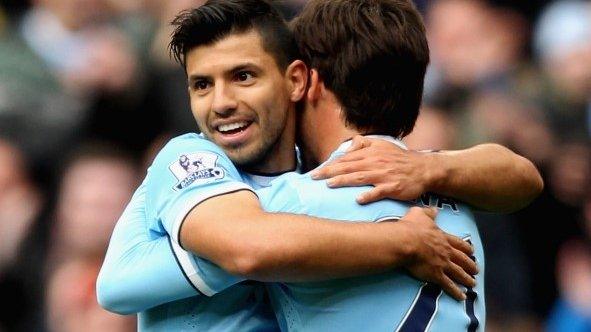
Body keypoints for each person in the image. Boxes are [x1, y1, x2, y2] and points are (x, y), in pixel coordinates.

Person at [97, 0, 542, 329]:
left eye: (245, 76)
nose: (223, 102)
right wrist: (405, 231)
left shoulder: (294, 202)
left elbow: (123, 282)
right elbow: (526, 178)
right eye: (201, 85)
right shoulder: (455, 188)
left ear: (303, 81)